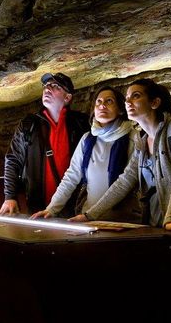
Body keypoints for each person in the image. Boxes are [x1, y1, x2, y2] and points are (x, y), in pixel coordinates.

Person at [74, 79, 171, 234]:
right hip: (153, 223)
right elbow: (125, 181)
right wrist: (89, 215)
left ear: (154, 102)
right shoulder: (142, 141)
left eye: (135, 96)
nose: (127, 101)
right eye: (127, 98)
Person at [31, 86, 137, 222]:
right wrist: (51, 209)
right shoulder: (87, 139)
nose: (102, 105)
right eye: (98, 102)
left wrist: (90, 215)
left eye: (109, 101)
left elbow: (125, 182)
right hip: (87, 218)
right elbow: (72, 176)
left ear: (121, 109)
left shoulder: (132, 138)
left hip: (121, 220)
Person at [0, 72, 91, 216]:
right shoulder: (29, 125)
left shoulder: (81, 124)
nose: (48, 89)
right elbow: (13, 160)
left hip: (75, 205)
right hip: (38, 205)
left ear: (67, 97)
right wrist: (10, 196)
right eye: (46, 85)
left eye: (55, 86)